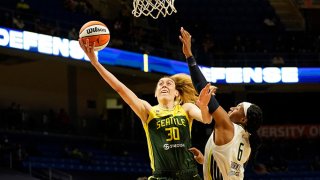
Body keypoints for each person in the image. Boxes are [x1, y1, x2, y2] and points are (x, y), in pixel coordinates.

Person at [79, 38, 212, 180]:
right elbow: (120, 88)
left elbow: (207, 119)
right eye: (160, 84)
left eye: (169, 83)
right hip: (162, 176)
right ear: (155, 93)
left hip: (189, 175)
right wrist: (95, 63)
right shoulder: (149, 111)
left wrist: (203, 106)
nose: (164, 85)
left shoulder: (186, 108)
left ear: (176, 93)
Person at [179, 27, 263, 180]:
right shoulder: (248, 144)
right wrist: (205, 161)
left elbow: (201, 87)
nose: (232, 107)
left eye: (238, 108)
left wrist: (189, 55)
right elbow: (230, 171)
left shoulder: (228, 126)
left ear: (243, 119)